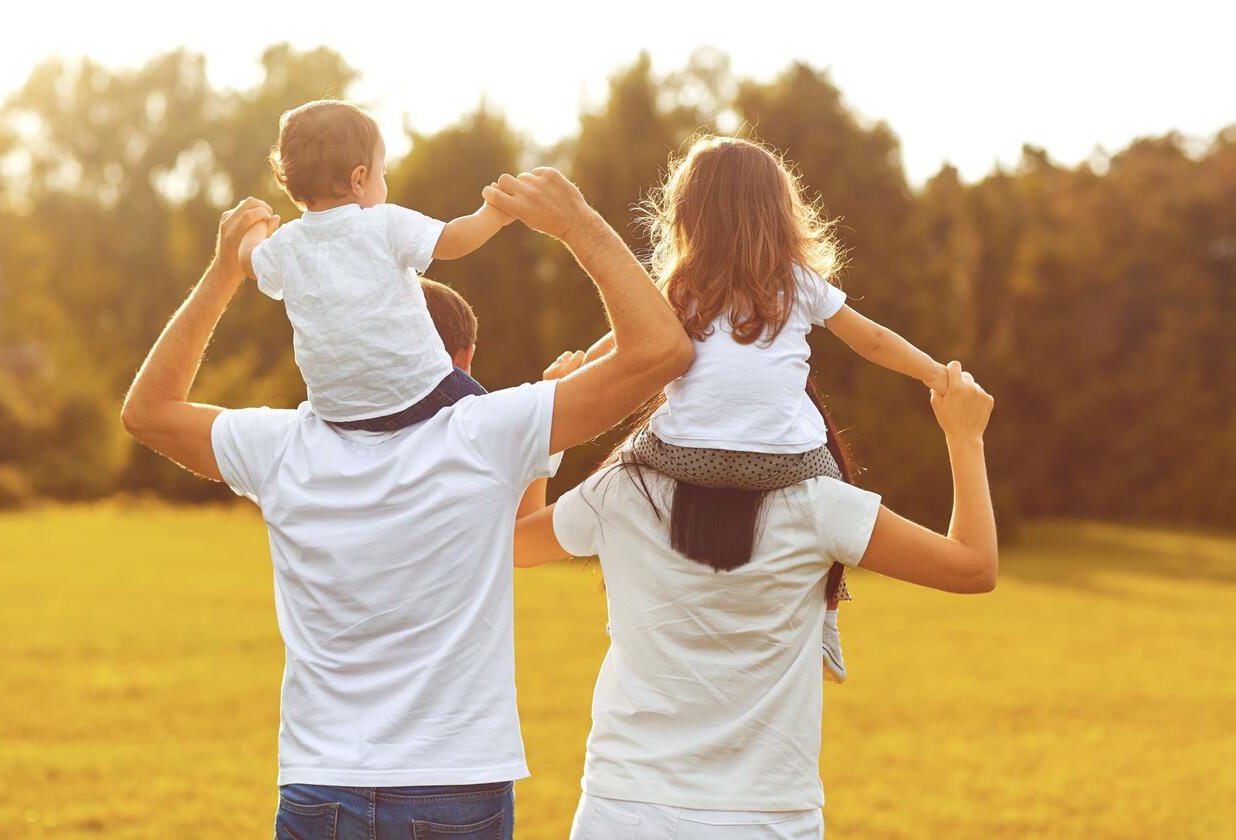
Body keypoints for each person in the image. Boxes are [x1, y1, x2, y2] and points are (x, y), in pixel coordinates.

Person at [119, 169, 694, 840]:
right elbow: (662, 349)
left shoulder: (282, 449)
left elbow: (147, 412)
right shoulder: (487, 432)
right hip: (454, 782)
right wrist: (578, 226)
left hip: (319, 782)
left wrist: (225, 272)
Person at [513, 361, 997, 840]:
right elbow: (973, 566)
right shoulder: (820, 503)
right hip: (764, 816)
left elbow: (518, 543)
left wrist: (547, 428)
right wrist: (964, 436)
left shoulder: (622, 488)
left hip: (624, 808)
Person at [577, 135, 950, 682]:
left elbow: (619, 342)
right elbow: (871, 341)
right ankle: (826, 620)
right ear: (779, 215)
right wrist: (934, 373)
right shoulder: (797, 283)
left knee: (623, 471)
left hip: (685, 454)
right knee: (838, 481)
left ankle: (629, 615)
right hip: (784, 462)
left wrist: (573, 373)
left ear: (687, 217)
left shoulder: (679, 287)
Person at [236, 99, 515, 434]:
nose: (385, 180)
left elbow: (248, 262)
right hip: (418, 391)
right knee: (497, 427)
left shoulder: (286, 244)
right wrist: (494, 214)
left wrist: (254, 228)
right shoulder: (383, 223)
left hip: (337, 413)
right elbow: (453, 241)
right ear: (359, 179)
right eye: (382, 172)